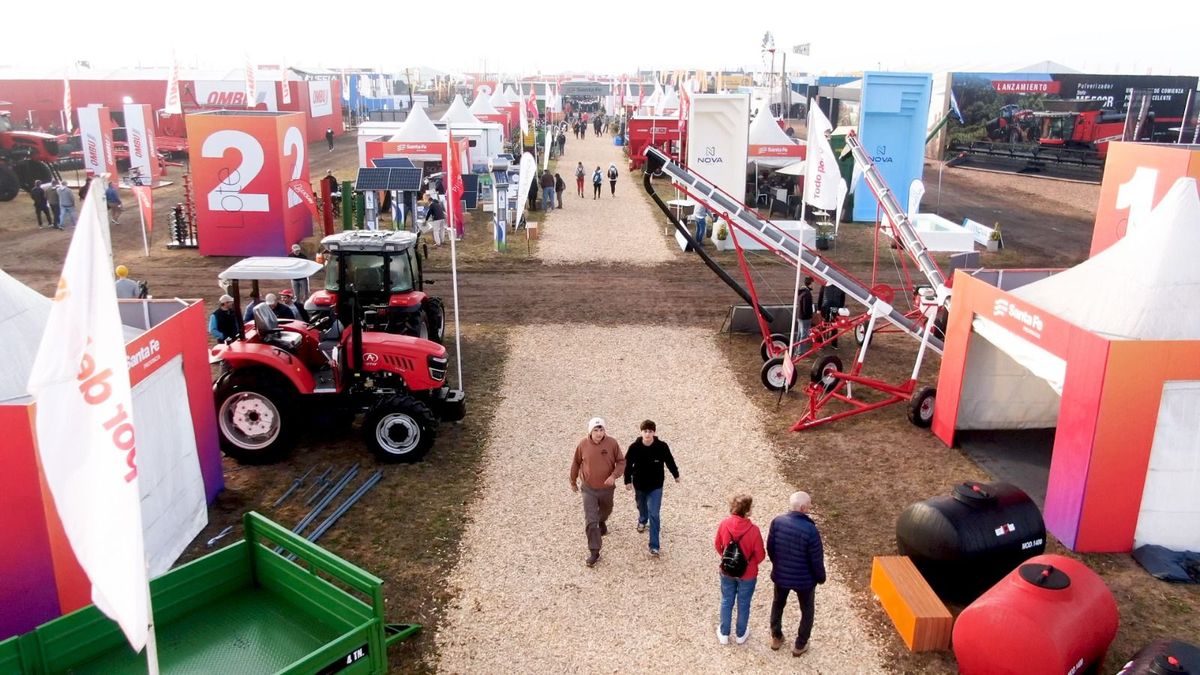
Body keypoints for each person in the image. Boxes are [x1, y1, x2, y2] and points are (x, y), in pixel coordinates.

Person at [766, 491, 826, 656]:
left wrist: (778, 565)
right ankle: (800, 644)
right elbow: (816, 559)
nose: (811, 506)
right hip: (804, 581)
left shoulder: (777, 522)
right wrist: (821, 578)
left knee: (778, 604)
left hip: (781, 576)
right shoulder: (810, 530)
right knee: (807, 610)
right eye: (810, 504)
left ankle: (776, 636)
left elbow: (770, 548)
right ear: (803, 507)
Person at [569, 417, 626, 568]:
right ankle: (594, 551)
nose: (599, 433)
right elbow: (576, 462)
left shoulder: (612, 443)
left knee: (606, 510)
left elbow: (621, 461)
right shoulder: (582, 445)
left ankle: (602, 521)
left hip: (607, 489)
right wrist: (573, 481)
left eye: (601, 430)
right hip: (588, 489)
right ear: (590, 431)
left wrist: (614, 476)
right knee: (590, 520)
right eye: (596, 430)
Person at [714, 494, 766, 646]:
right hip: (748, 574)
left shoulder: (724, 524)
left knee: (726, 600)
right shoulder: (754, 530)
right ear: (748, 511)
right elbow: (760, 555)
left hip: (727, 570)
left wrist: (728, 558)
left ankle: (724, 633)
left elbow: (718, 545)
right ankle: (740, 634)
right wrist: (750, 563)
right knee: (744, 603)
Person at [623, 420, 679, 556]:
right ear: (641, 432)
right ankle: (642, 519)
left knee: (654, 513)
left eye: (650, 431)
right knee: (641, 506)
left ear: (654, 432)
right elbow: (627, 464)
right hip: (640, 485)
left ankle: (654, 545)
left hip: (656, 486)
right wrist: (627, 481)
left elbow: (670, 461)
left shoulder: (662, 446)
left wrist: (675, 475)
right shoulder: (634, 447)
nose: (648, 434)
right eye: (645, 431)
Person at [817, 282, 846, 348]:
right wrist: (840, 309)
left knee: (823, 325)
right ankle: (834, 344)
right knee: (835, 325)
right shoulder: (840, 286)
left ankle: (821, 342)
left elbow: (820, 296)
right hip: (836, 307)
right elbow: (842, 298)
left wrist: (819, 308)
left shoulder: (824, 285)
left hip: (825, 307)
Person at [796, 276, 815, 350]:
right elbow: (806, 307)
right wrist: (810, 316)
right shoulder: (807, 294)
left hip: (800, 316)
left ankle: (796, 349)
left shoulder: (802, 291)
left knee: (800, 334)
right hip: (805, 318)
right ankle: (800, 352)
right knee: (804, 335)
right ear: (810, 283)